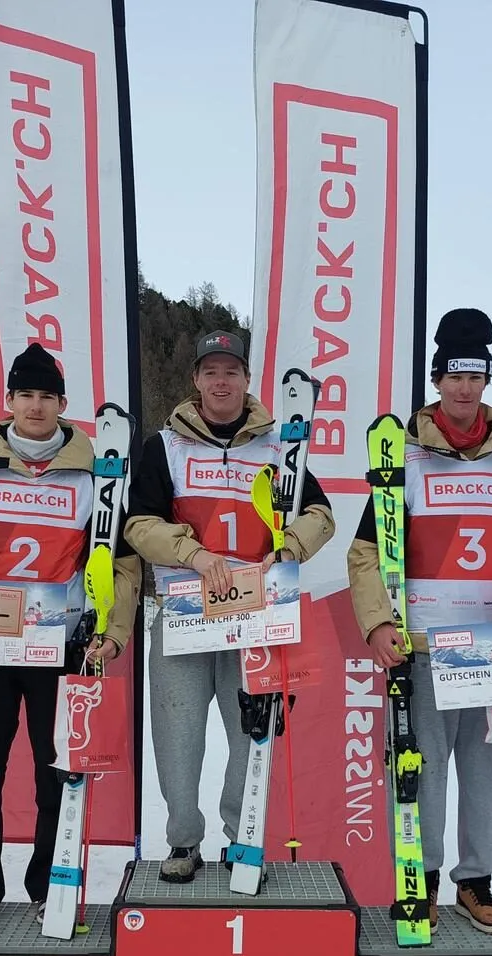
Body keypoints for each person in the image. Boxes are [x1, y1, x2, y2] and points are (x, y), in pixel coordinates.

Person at [0, 344, 141, 935]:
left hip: (60, 643)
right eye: (26, 395)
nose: (36, 406)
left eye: (47, 396)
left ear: (63, 404)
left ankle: (52, 886)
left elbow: (120, 564)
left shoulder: (98, 473)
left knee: (58, 773)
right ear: (9, 401)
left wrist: (113, 632)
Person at [346, 308, 492, 933]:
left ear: (487, 381)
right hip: (425, 645)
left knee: (487, 773)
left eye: (475, 377)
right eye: (454, 377)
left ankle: (475, 880)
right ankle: (423, 878)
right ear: (437, 381)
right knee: (422, 772)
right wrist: (378, 624)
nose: (464, 389)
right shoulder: (404, 456)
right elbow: (367, 552)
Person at [124, 330, 335, 882]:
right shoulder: (164, 447)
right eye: (211, 371)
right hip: (186, 613)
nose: (222, 382)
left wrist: (289, 548)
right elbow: (138, 524)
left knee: (252, 735)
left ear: (246, 379)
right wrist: (192, 553)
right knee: (178, 733)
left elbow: (321, 515)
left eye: (232, 371)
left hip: (257, 615)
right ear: (196, 380)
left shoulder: (279, 447)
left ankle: (244, 838)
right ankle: (182, 841)